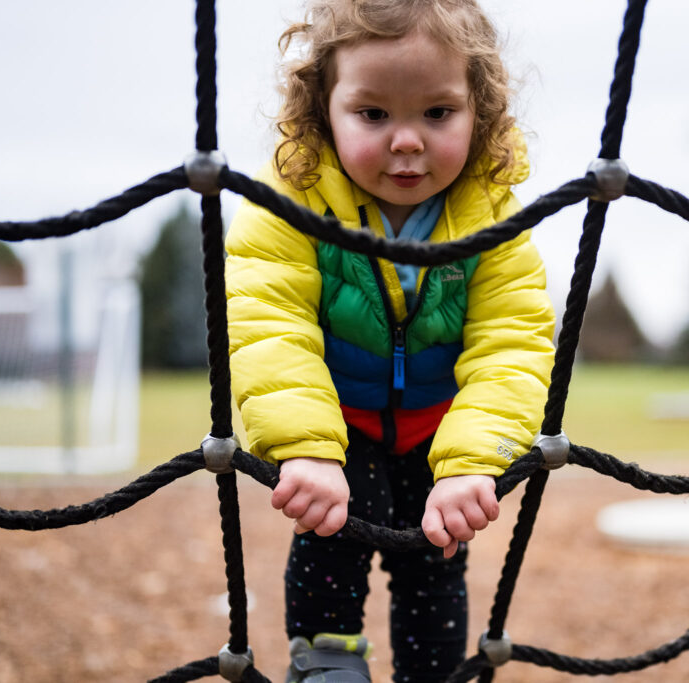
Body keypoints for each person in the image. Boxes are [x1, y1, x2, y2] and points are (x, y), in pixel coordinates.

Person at [224, 1, 555, 680]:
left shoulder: (491, 211)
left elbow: (512, 339)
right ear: (323, 108)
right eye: (374, 114)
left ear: (479, 110)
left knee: (435, 553)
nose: (408, 140)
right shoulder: (292, 198)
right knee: (333, 528)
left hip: (440, 426)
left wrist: (472, 459)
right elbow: (268, 322)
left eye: (438, 113)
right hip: (338, 418)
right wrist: (307, 447)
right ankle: (327, 658)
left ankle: (429, 672)